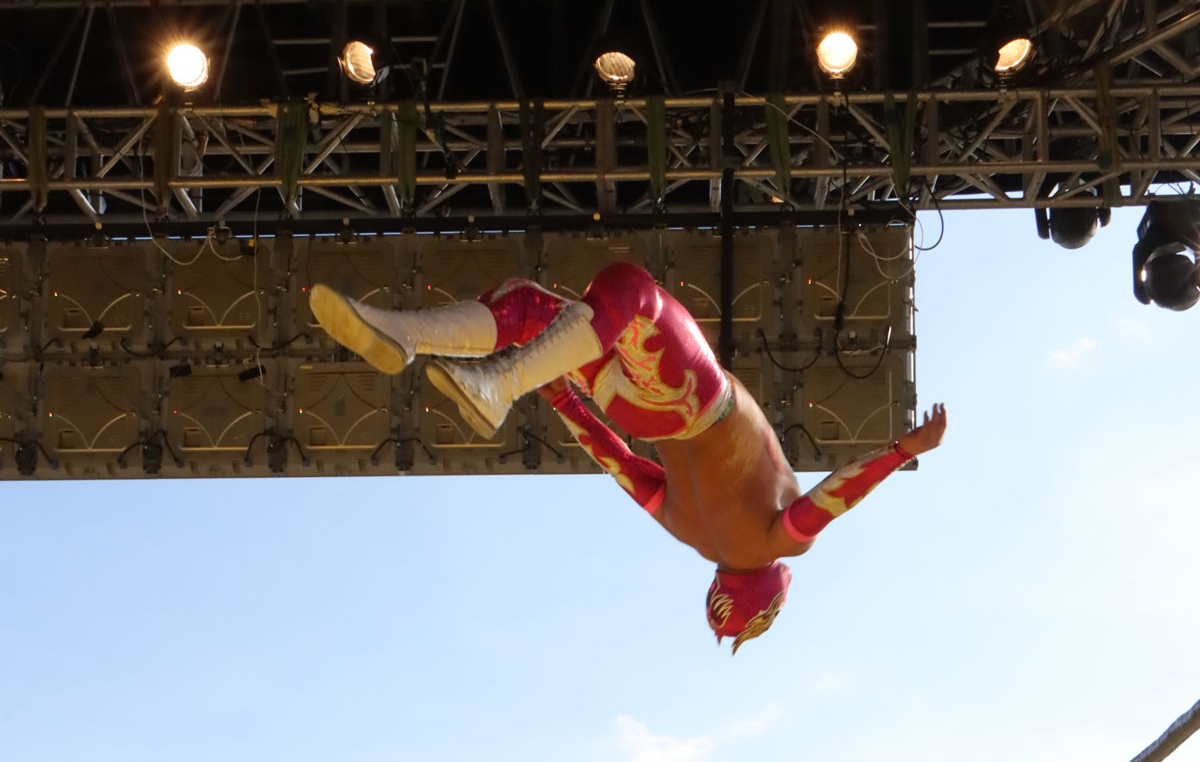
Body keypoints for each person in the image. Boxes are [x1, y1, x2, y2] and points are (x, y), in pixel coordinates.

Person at [310, 266, 946, 655]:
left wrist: (898, 452)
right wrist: (558, 393)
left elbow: (834, 495)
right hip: (639, 409)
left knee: (633, 292)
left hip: (692, 395)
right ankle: (408, 333)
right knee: (533, 308)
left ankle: (491, 381)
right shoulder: (687, 532)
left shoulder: (778, 538)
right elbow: (614, 457)